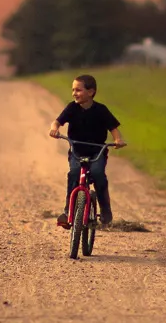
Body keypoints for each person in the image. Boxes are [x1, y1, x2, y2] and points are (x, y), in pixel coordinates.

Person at [48, 73, 126, 229]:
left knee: (98, 174)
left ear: (91, 92)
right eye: (73, 90)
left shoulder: (101, 110)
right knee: (74, 174)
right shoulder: (71, 108)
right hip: (77, 150)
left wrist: (118, 140)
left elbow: (113, 128)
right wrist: (54, 129)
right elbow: (57, 122)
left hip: (97, 152)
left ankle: (105, 209)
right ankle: (68, 211)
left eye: (78, 90)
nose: (74, 93)